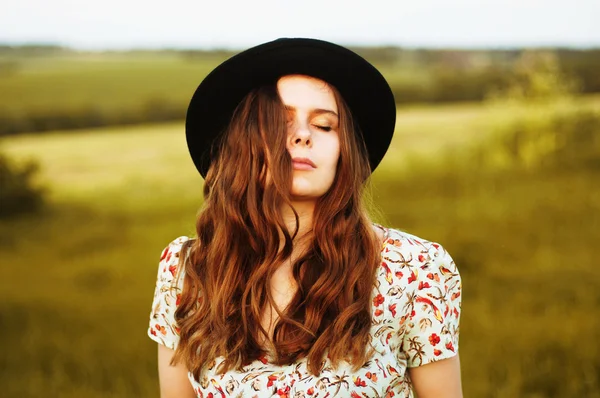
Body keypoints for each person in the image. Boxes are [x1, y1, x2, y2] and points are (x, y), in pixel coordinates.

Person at [148, 38, 462, 398]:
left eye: (325, 126)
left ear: (346, 151)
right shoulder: (186, 271)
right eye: (280, 121)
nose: (302, 136)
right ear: (243, 143)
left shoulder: (414, 269)